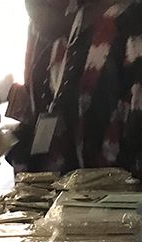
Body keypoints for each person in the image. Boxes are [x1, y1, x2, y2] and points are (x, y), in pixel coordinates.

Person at [8, 0, 142, 176]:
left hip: (112, 188)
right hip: (55, 184)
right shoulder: (52, 24)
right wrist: (15, 142)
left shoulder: (130, 20)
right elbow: (41, 103)